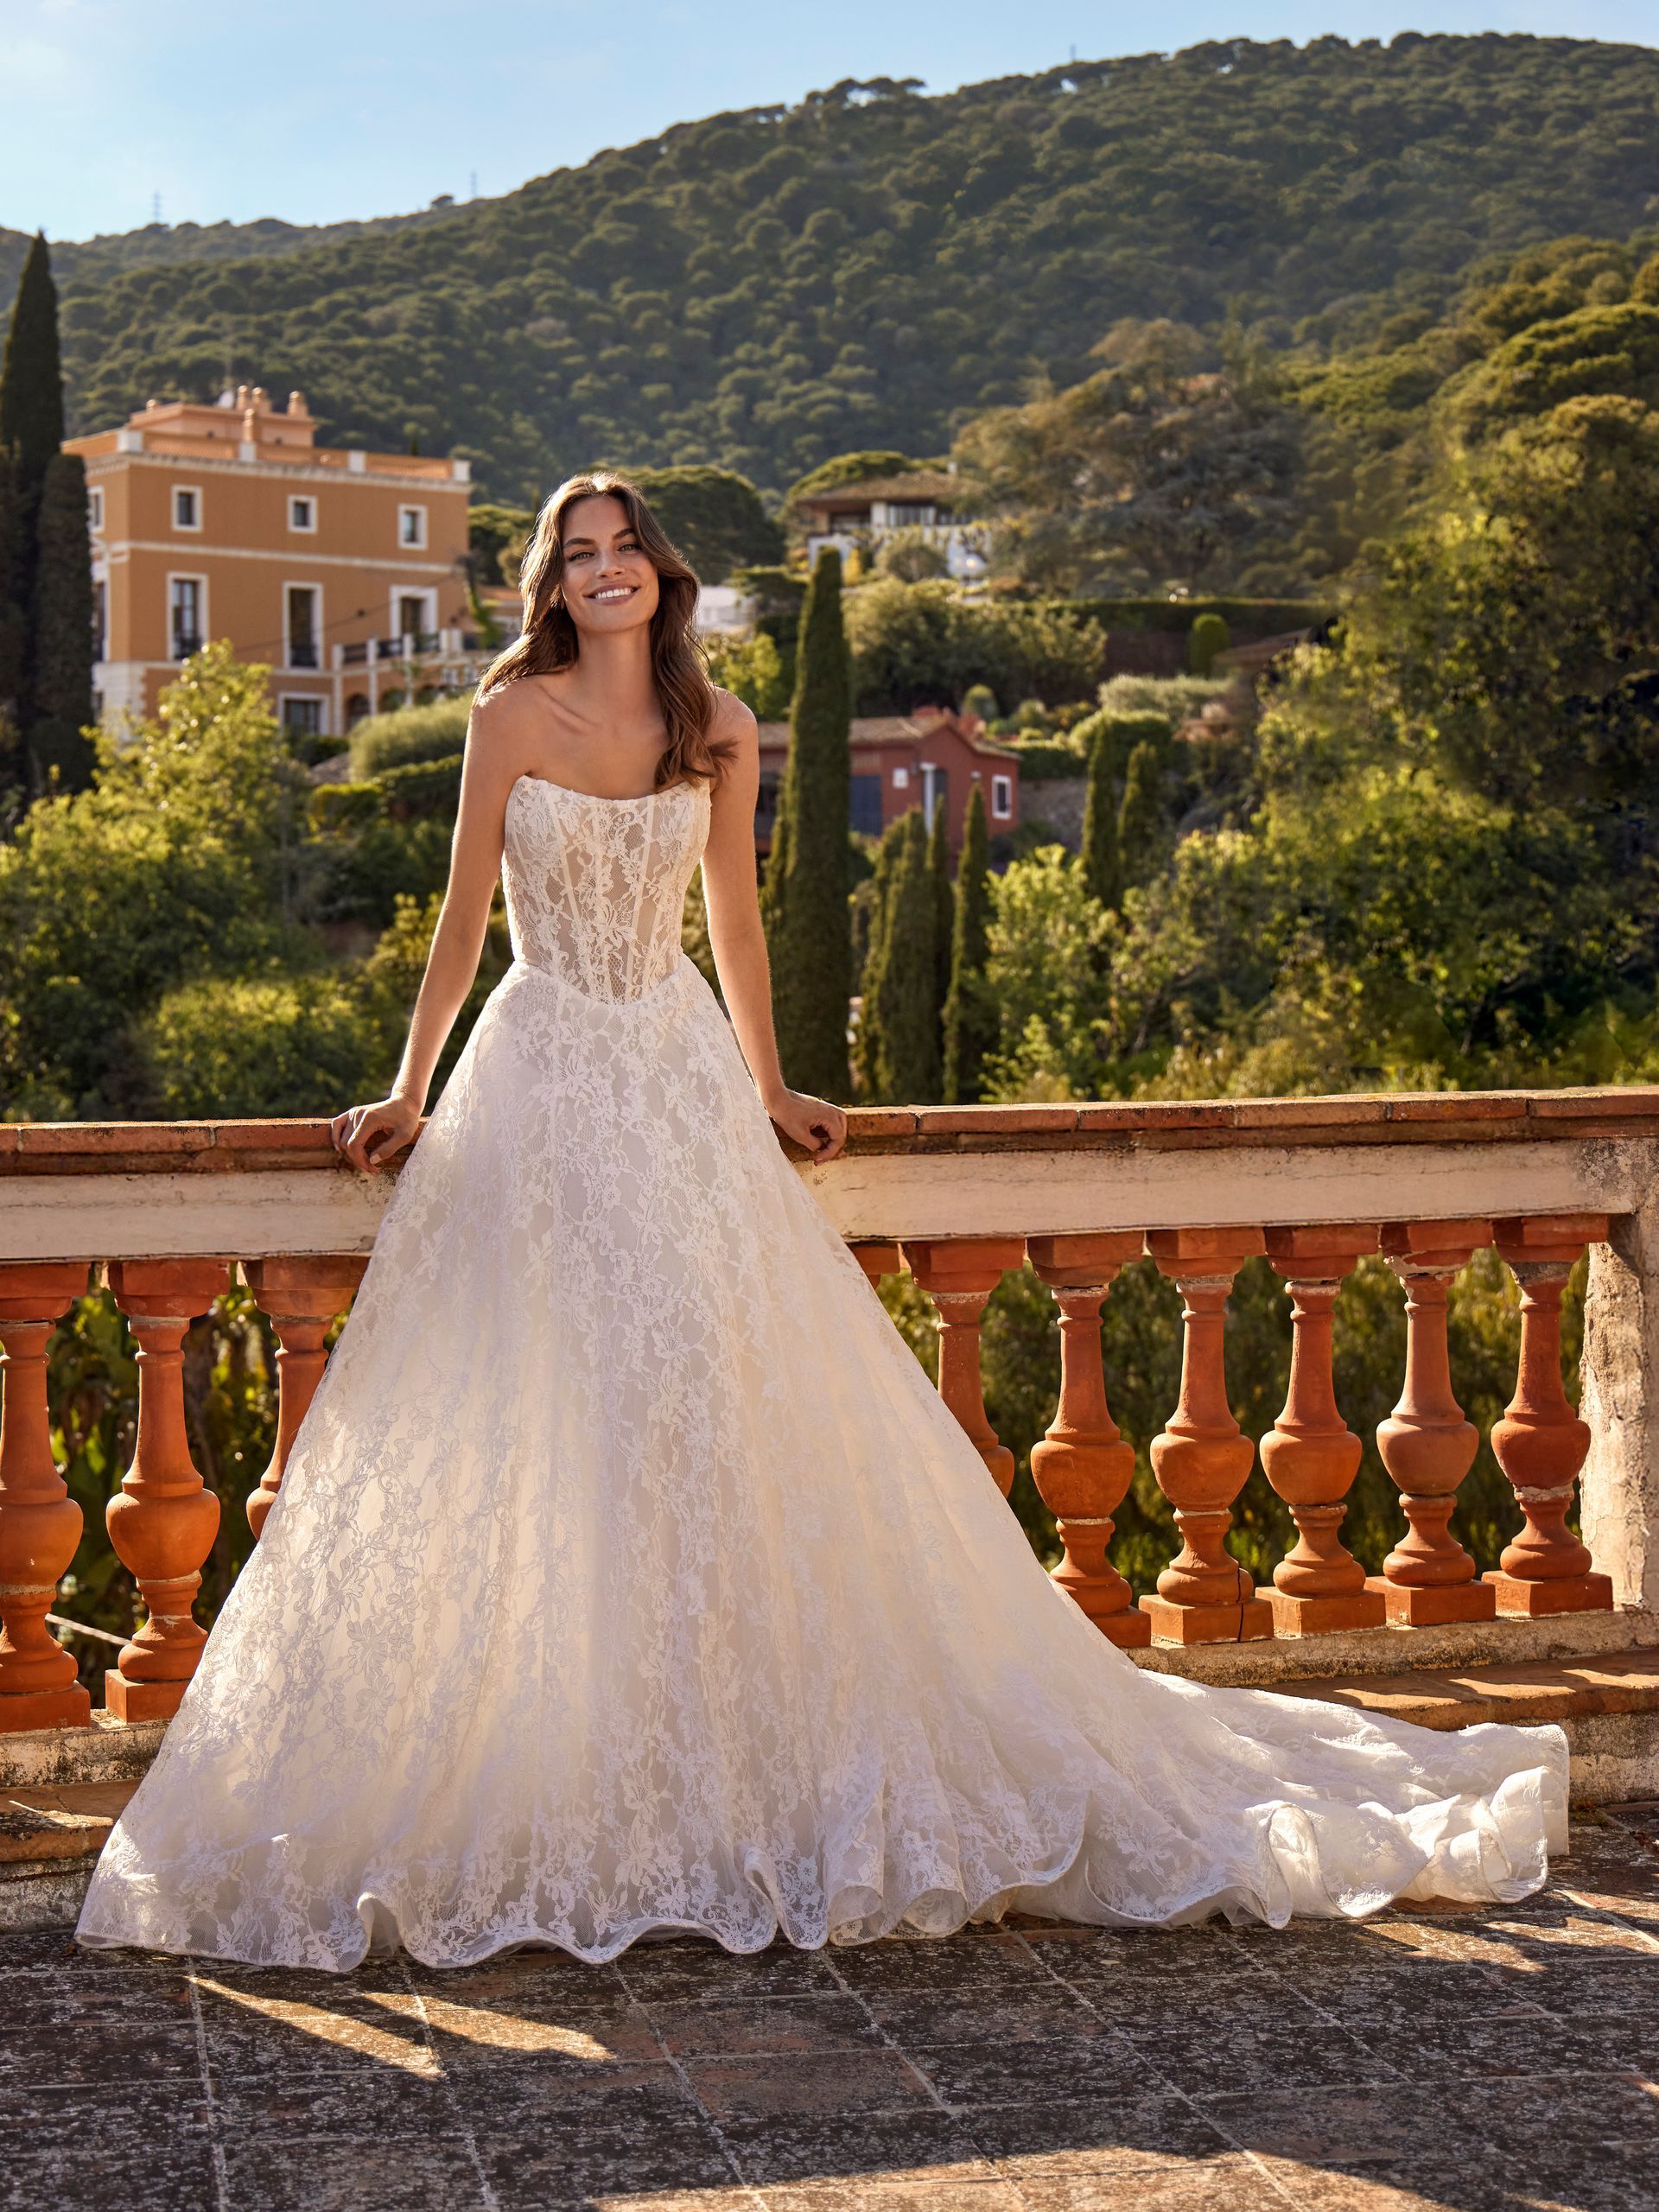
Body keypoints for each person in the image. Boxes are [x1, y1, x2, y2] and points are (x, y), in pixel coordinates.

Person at [78, 474, 1567, 1972]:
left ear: (663, 574)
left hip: (670, 1078)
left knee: (700, 1418)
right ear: (554, 582)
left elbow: (735, 913)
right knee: (532, 1421)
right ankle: (583, 1767)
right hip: (532, 1089)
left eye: (625, 554)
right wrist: (406, 1092)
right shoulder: (508, 718)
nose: (606, 575)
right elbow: (464, 917)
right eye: (578, 557)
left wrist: (772, 1082)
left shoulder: (717, 729)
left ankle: (711, 1769)